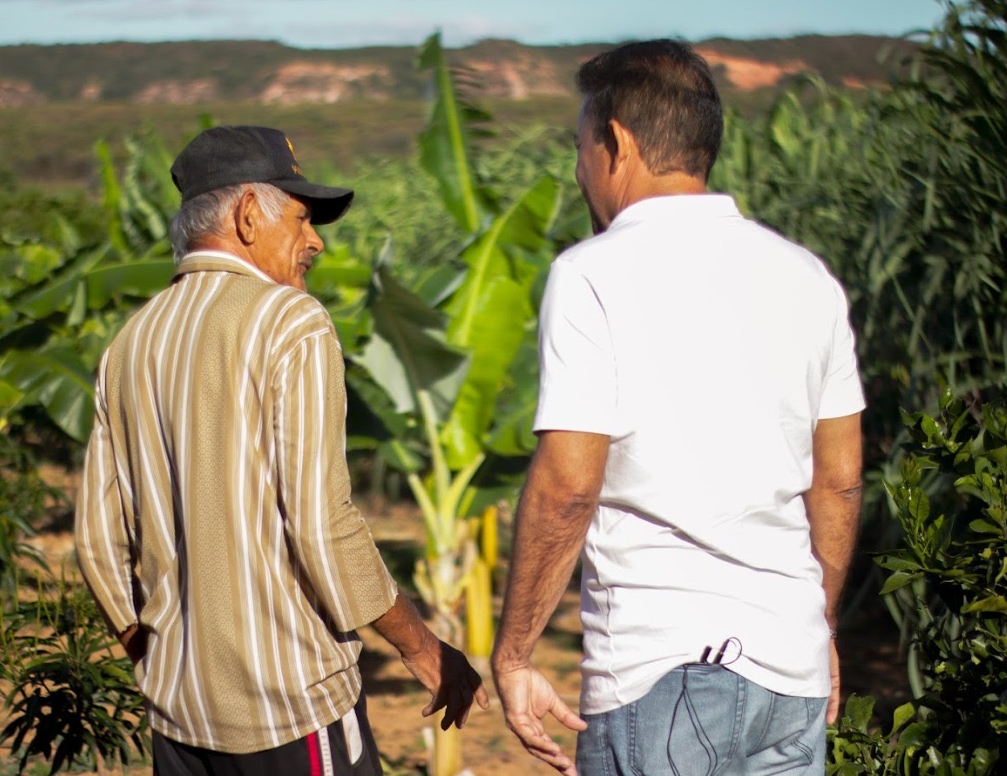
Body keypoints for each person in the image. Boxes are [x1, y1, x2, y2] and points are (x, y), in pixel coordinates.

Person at [491, 41, 864, 776]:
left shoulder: (591, 272)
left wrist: (513, 653)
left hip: (664, 668)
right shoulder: (806, 276)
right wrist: (815, 623)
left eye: (580, 147)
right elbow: (840, 479)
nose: (579, 171)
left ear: (616, 142)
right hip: (790, 673)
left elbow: (568, 484)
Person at [75, 125, 488, 776]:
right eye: (300, 217)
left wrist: (157, 654)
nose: (315, 239)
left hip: (179, 718)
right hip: (292, 710)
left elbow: (99, 540)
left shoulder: (130, 340)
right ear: (245, 216)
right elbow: (324, 527)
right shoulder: (291, 322)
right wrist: (423, 648)